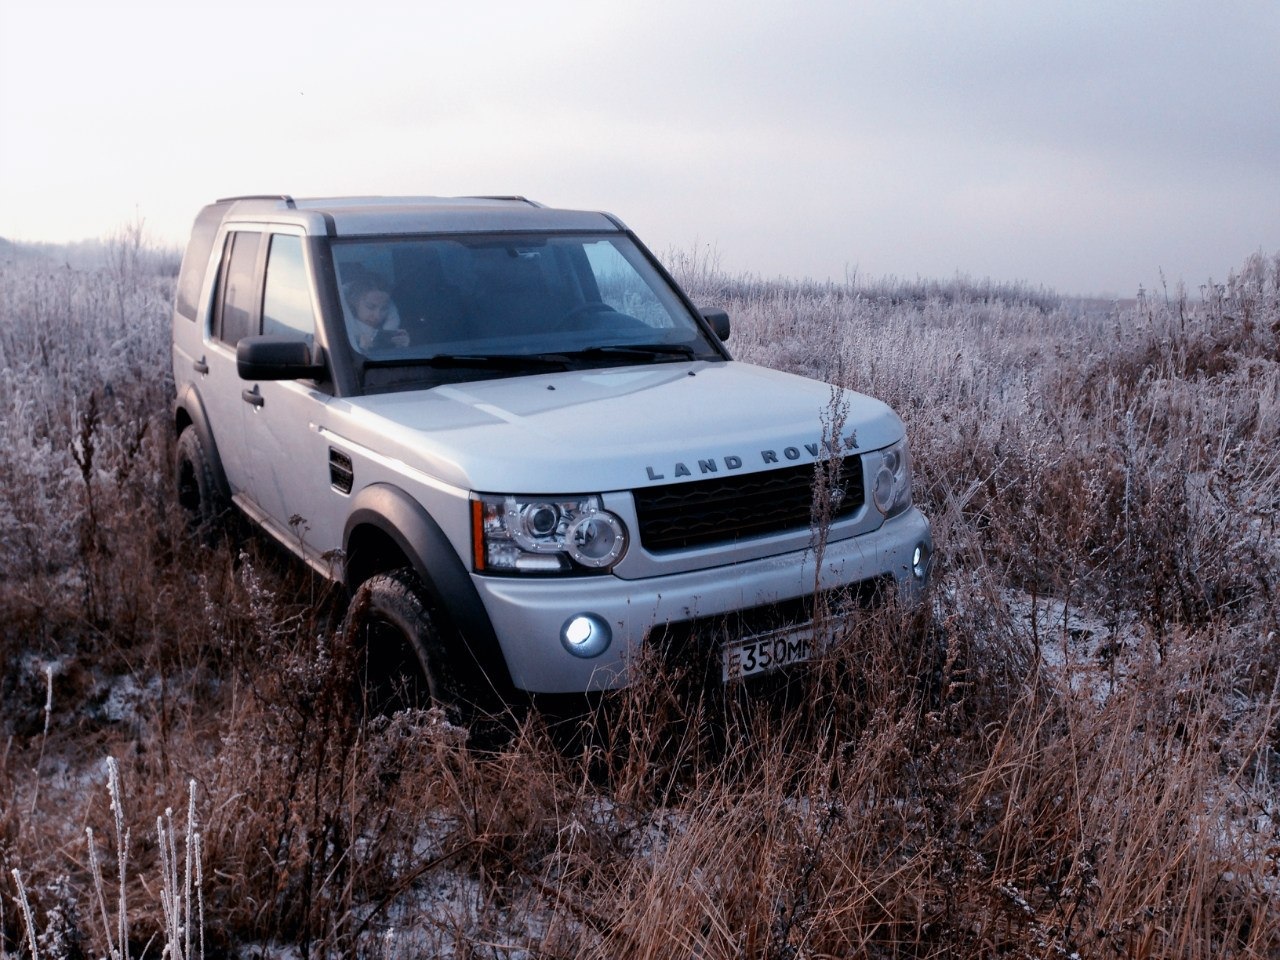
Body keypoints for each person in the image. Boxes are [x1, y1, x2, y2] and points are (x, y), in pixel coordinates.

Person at [344, 273, 409, 352]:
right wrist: (360, 349)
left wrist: (403, 347)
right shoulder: (335, 333)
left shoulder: (400, 329)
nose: (377, 315)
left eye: (384, 308)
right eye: (370, 307)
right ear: (354, 302)